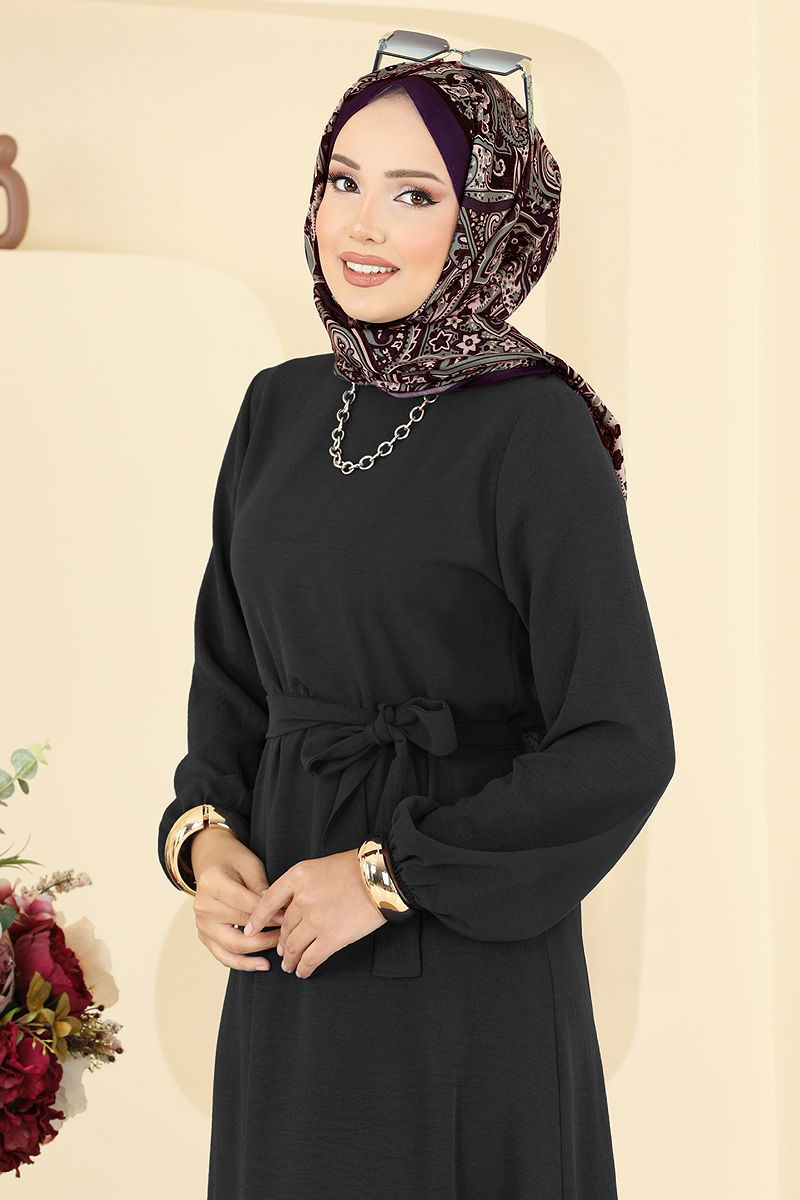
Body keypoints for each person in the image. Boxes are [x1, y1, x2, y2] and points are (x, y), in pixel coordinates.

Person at [157, 51, 675, 1200]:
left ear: (485, 224)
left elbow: (619, 741)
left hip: (458, 960)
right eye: (343, 180)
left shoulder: (533, 428)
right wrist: (205, 839)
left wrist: (389, 877)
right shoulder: (278, 407)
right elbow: (232, 680)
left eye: (413, 193)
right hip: (287, 959)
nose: (362, 223)